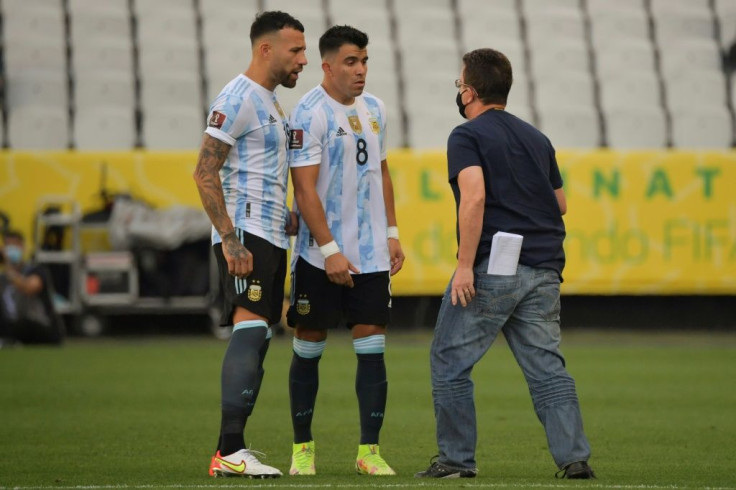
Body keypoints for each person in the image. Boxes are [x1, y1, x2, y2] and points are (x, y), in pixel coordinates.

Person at [415, 48, 595, 480]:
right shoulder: (537, 138)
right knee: (546, 367)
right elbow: (560, 203)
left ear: (471, 92)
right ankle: (574, 459)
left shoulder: (467, 135)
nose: (458, 92)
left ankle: (456, 461)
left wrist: (463, 265)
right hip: (545, 265)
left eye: (460, 85)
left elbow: (474, 196)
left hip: (497, 263)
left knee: (449, 360)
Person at [285, 25, 405, 476]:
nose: (361, 70)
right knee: (309, 346)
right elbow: (305, 188)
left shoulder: (376, 109)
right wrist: (330, 249)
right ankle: (303, 449)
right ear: (328, 65)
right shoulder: (309, 113)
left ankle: (369, 452)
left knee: (372, 348)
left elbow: (383, 172)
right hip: (320, 256)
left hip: (372, 254)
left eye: (365, 61)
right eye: (351, 62)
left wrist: (391, 231)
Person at [192, 10, 306, 479]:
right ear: (266, 49)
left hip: (270, 232)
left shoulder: (270, 102)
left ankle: (228, 451)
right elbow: (204, 171)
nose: (303, 60)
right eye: (295, 50)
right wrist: (229, 240)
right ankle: (232, 449)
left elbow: (256, 175)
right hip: (247, 236)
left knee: (259, 338)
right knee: (252, 330)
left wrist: (289, 217)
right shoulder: (237, 98)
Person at [0, 230, 64, 346]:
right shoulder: (2, 278)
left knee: (22, 324)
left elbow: (29, 288)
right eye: (7, 245)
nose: (10, 249)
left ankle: (9, 340)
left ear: (22, 247)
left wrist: (8, 266)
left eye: (15, 245)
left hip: (41, 328)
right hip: (13, 326)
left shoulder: (36, 271)